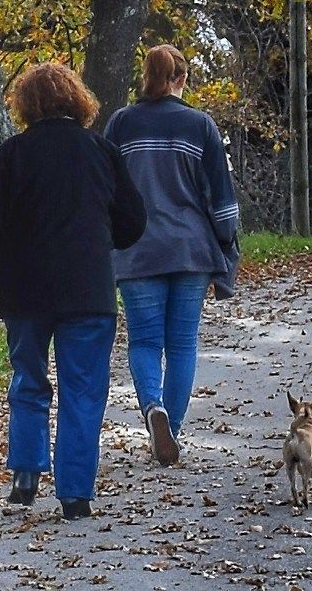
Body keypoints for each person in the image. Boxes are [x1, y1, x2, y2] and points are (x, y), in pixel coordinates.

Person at [0, 60, 146, 521]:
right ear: (77, 100)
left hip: (25, 292)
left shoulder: (11, 155)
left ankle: (25, 475)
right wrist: (102, 237)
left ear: (26, 106)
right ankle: (75, 494)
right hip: (87, 290)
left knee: (28, 380)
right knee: (83, 389)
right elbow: (133, 222)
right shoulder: (102, 151)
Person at [101, 43, 241, 466]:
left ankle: (153, 410)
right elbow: (221, 200)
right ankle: (172, 430)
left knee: (144, 340)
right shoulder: (200, 126)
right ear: (181, 79)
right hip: (190, 249)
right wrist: (227, 242)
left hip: (137, 249)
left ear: (146, 76)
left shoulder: (121, 124)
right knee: (182, 344)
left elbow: (106, 189)